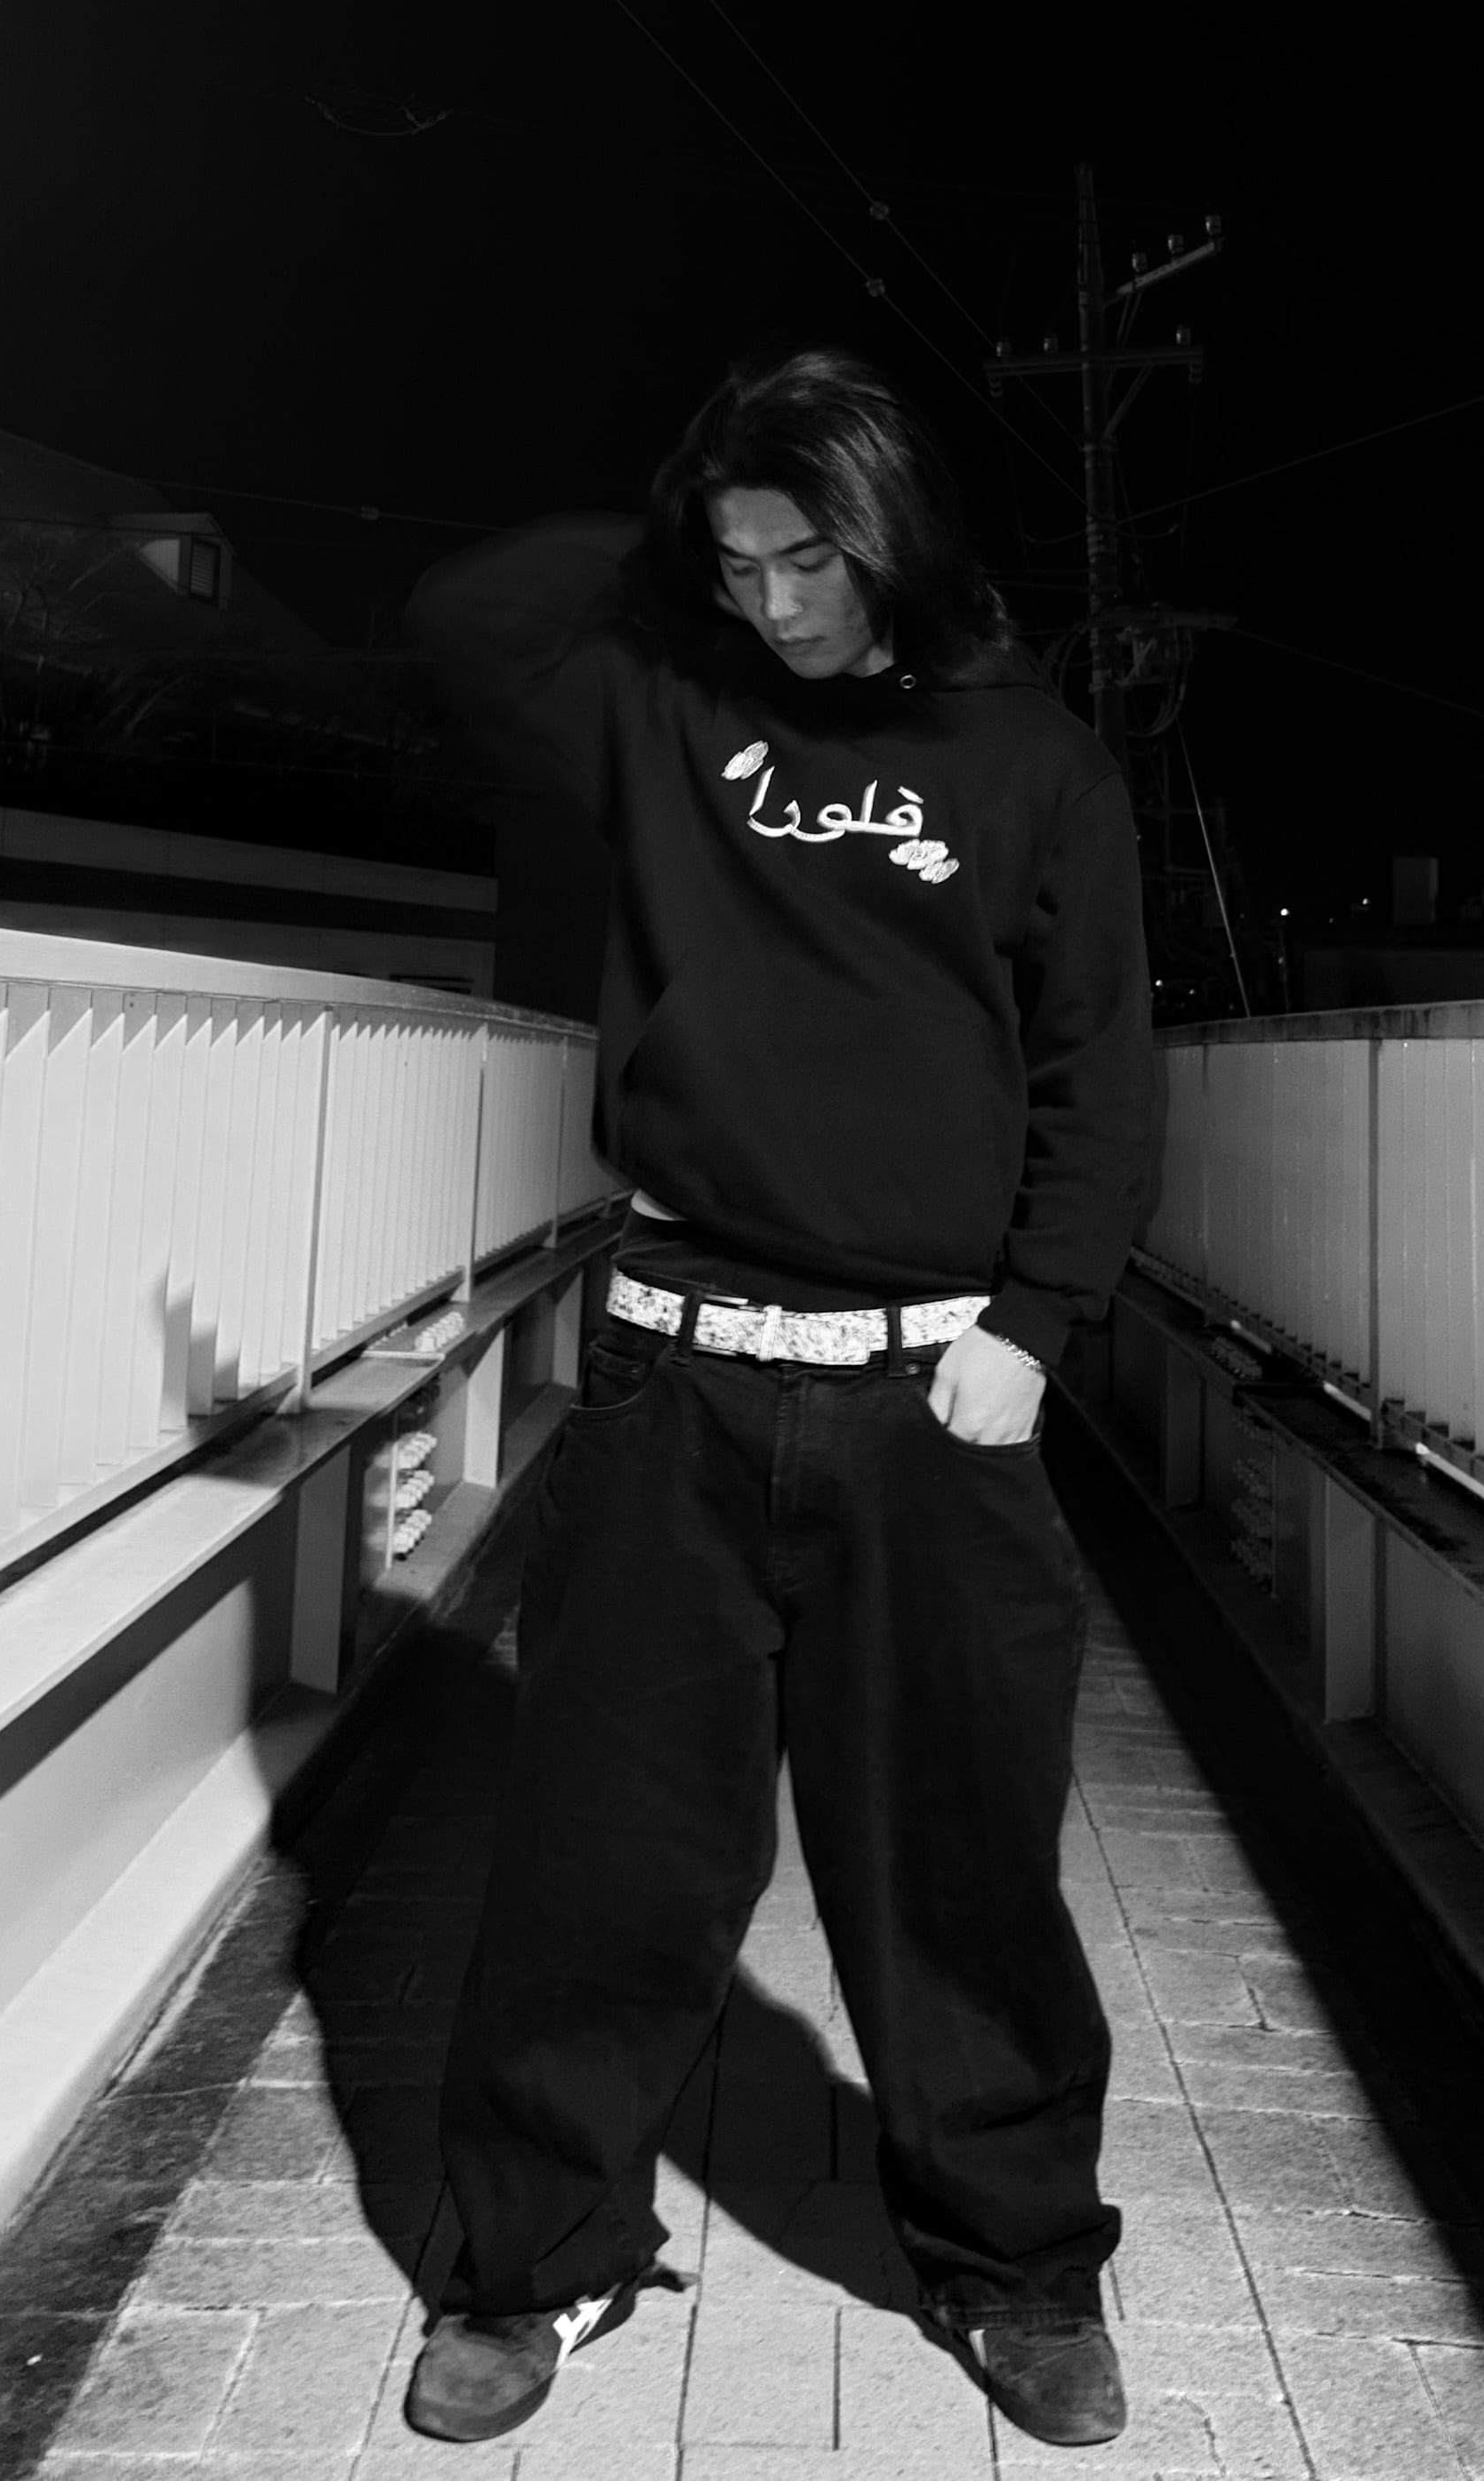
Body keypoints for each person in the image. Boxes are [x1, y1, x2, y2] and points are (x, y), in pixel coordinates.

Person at [400, 347, 1153, 2448]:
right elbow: (469, 613)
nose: (777, 601)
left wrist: (1032, 1327)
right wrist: (697, 504)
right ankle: (536, 2260)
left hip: (932, 1396)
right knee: (602, 1860)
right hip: (676, 1380)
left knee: (955, 1872)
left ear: (891, 530)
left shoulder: (1030, 764)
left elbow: (1098, 1072)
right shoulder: (672, 708)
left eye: (808, 555)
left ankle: (1015, 2265)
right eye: (737, 564)